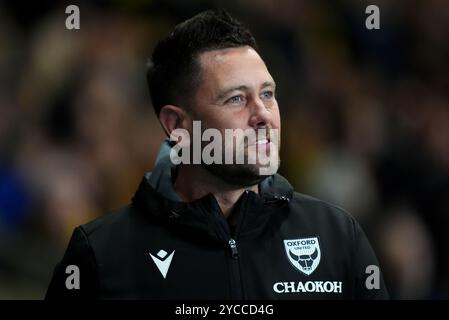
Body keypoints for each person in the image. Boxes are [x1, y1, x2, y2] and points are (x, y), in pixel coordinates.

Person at [46, 10, 389, 299]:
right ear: (177, 126)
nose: (264, 115)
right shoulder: (101, 256)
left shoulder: (338, 237)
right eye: (236, 99)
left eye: (267, 94)